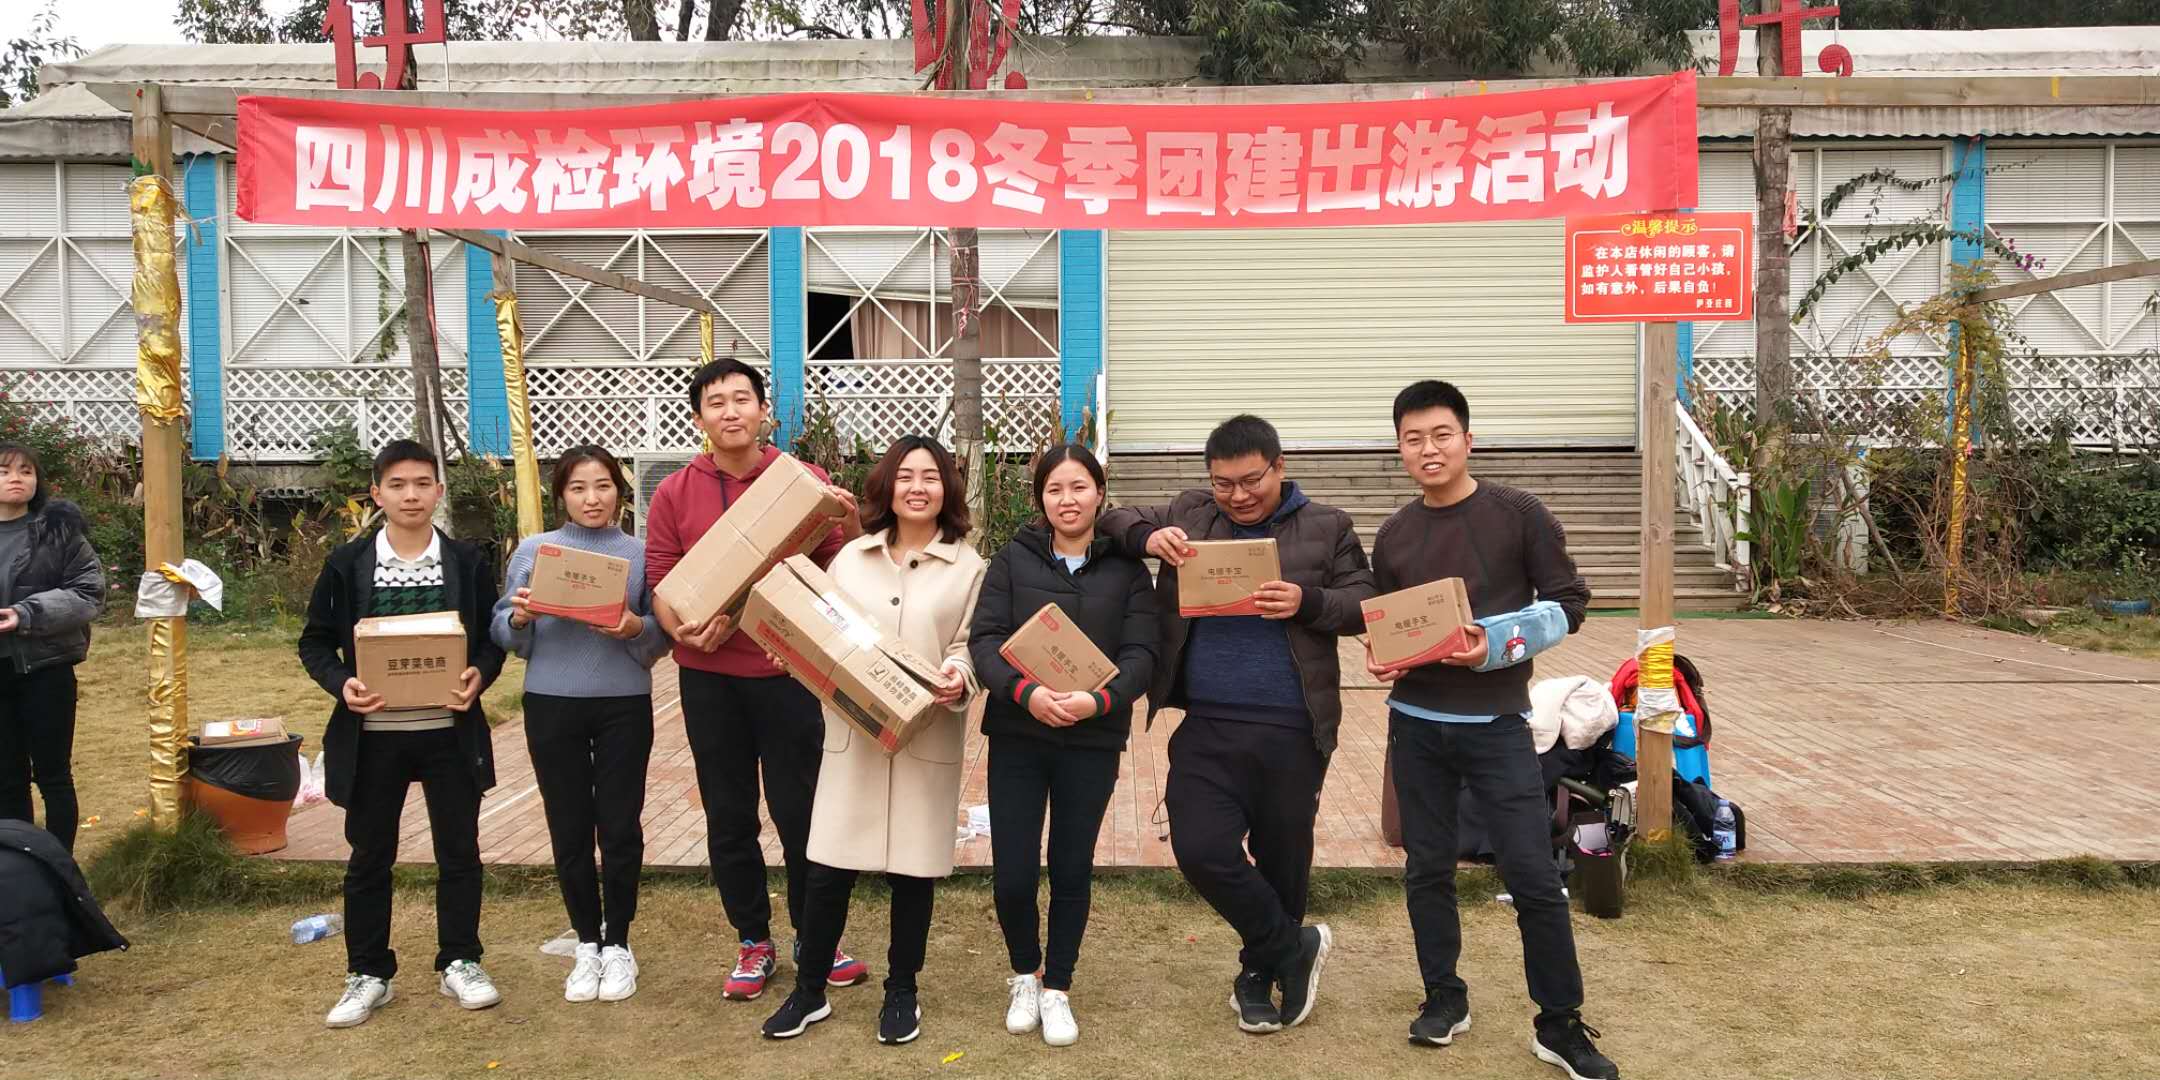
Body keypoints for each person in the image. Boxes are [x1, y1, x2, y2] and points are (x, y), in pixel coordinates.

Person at [1366, 380, 1616, 1080]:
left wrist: (1495, 641)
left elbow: (1570, 603)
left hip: (1501, 725)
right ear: (1400, 450)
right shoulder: (1395, 534)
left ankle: (1558, 1023)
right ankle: (1444, 997)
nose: (1428, 449)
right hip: (1414, 726)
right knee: (1427, 869)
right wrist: (1384, 656)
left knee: (1533, 873)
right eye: (1413, 439)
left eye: (1441, 434)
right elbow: (1392, 619)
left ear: (1468, 439)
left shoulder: (1518, 515)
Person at [1098, 415, 1375, 1035]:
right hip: (1208, 721)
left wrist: (1308, 603)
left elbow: (1365, 602)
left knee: (1283, 857)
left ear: (1279, 467)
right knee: (1200, 849)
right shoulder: (1191, 512)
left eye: (1251, 480)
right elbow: (1110, 518)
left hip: (1293, 726)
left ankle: (1259, 972)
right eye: (1223, 483)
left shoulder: (1327, 526)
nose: (1238, 495)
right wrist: (1150, 536)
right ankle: (1290, 946)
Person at [643, 358, 867, 1002]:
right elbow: (661, 576)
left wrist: (848, 523)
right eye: (716, 403)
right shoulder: (675, 492)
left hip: (786, 673)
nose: (731, 411)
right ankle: (753, 939)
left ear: (764, 411)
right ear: (699, 418)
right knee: (729, 812)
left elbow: (841, 569)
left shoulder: (803, 481)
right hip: (710, 680)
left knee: (802, 812)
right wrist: (680, 627)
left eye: (743, 399)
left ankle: (816, 937)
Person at [760, 435, 985, 1046]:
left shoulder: (969, 568)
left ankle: (901, 990)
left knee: (913, 874)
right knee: (829, 867)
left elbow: (970, 643)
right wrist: (799, 656)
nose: (918, 487)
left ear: (947, 489)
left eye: (931, 477)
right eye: (906, 475)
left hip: (924, 737)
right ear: (887, 486)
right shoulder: (850, 559)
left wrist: (959, 675)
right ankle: (809, 992)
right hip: (853, 737)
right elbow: (822, 629)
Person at [298, 439, 508, 1029]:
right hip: (374, 737)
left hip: (449, 732)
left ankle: (461, 959)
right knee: (369, 857)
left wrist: (479, 676)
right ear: (377, 493)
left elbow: (491, 638)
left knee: (459, 852)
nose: (411, 495)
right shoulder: (347, 563)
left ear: (438, 491)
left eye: (422, 483)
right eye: (398, 485)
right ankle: (368, 972)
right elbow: (314, 641)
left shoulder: (466, 560)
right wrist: (343, 684)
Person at [969, 444, 1158, 1047]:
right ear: (1040, 499)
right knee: (1014, 874)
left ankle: (1059, 989)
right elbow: (986, 641)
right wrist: (1026, 694)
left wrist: (1097, 703)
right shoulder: (1011, 560)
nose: (1067, 500)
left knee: (1072, 867)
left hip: (1091, 739)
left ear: (1100, 493)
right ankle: (1025, 973)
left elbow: (1142, 654)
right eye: (1055, 490)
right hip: (1019, 734)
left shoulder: (1128, 571)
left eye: (1079, 487)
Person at [492, 445, 671, 1004]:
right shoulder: (534, 551)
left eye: (603, 486)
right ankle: (587, 943)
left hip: (623, 703)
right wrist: (520, 616)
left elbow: (659, 639)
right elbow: (505, 630)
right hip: (551, 701)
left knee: (620, 826)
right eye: (578, 488)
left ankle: (618, 943)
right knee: (568, 826)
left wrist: (631, 628)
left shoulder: (641, 554)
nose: (592, 499)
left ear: (619, 489)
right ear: (561, 495)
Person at [0, 443, 102, 853]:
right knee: (7, 778)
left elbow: (89, 593)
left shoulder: (58, 533)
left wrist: (26, 614)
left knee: (54, 776)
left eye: (26, 471)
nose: (16, 478)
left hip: (45, 669)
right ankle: (21, 869)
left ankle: (61, 868)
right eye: (5, 470)